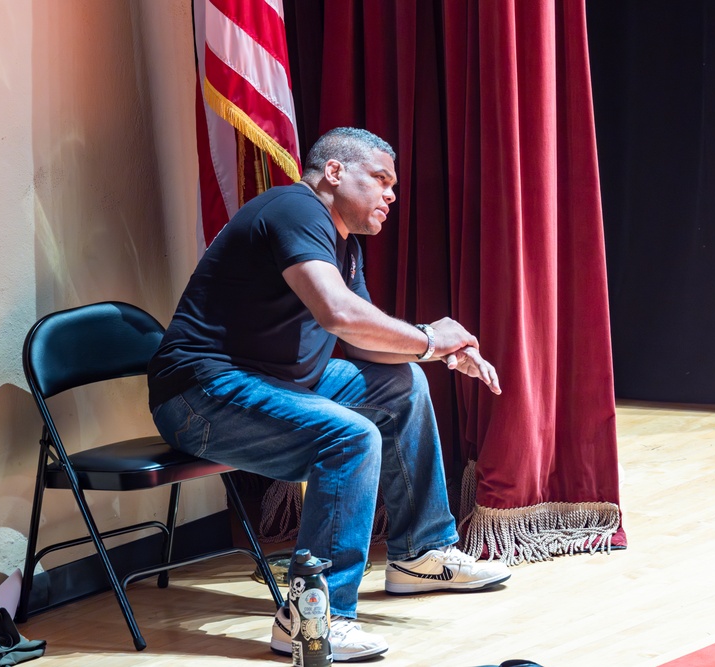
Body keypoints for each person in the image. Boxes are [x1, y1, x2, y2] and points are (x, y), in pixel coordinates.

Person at [147, 127, 510, 662]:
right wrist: (430, 338)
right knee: (350, 437)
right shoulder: (296, 209)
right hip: (201, 394)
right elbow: (337, 313)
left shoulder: (344, 244)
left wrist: (433, 353)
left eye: (394, 185)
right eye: (381, 180)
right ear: (335, 172)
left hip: (275, 382)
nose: (391, 195)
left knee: (402, 386)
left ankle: (421, 554)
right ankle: (313, 619)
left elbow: (362, 340)